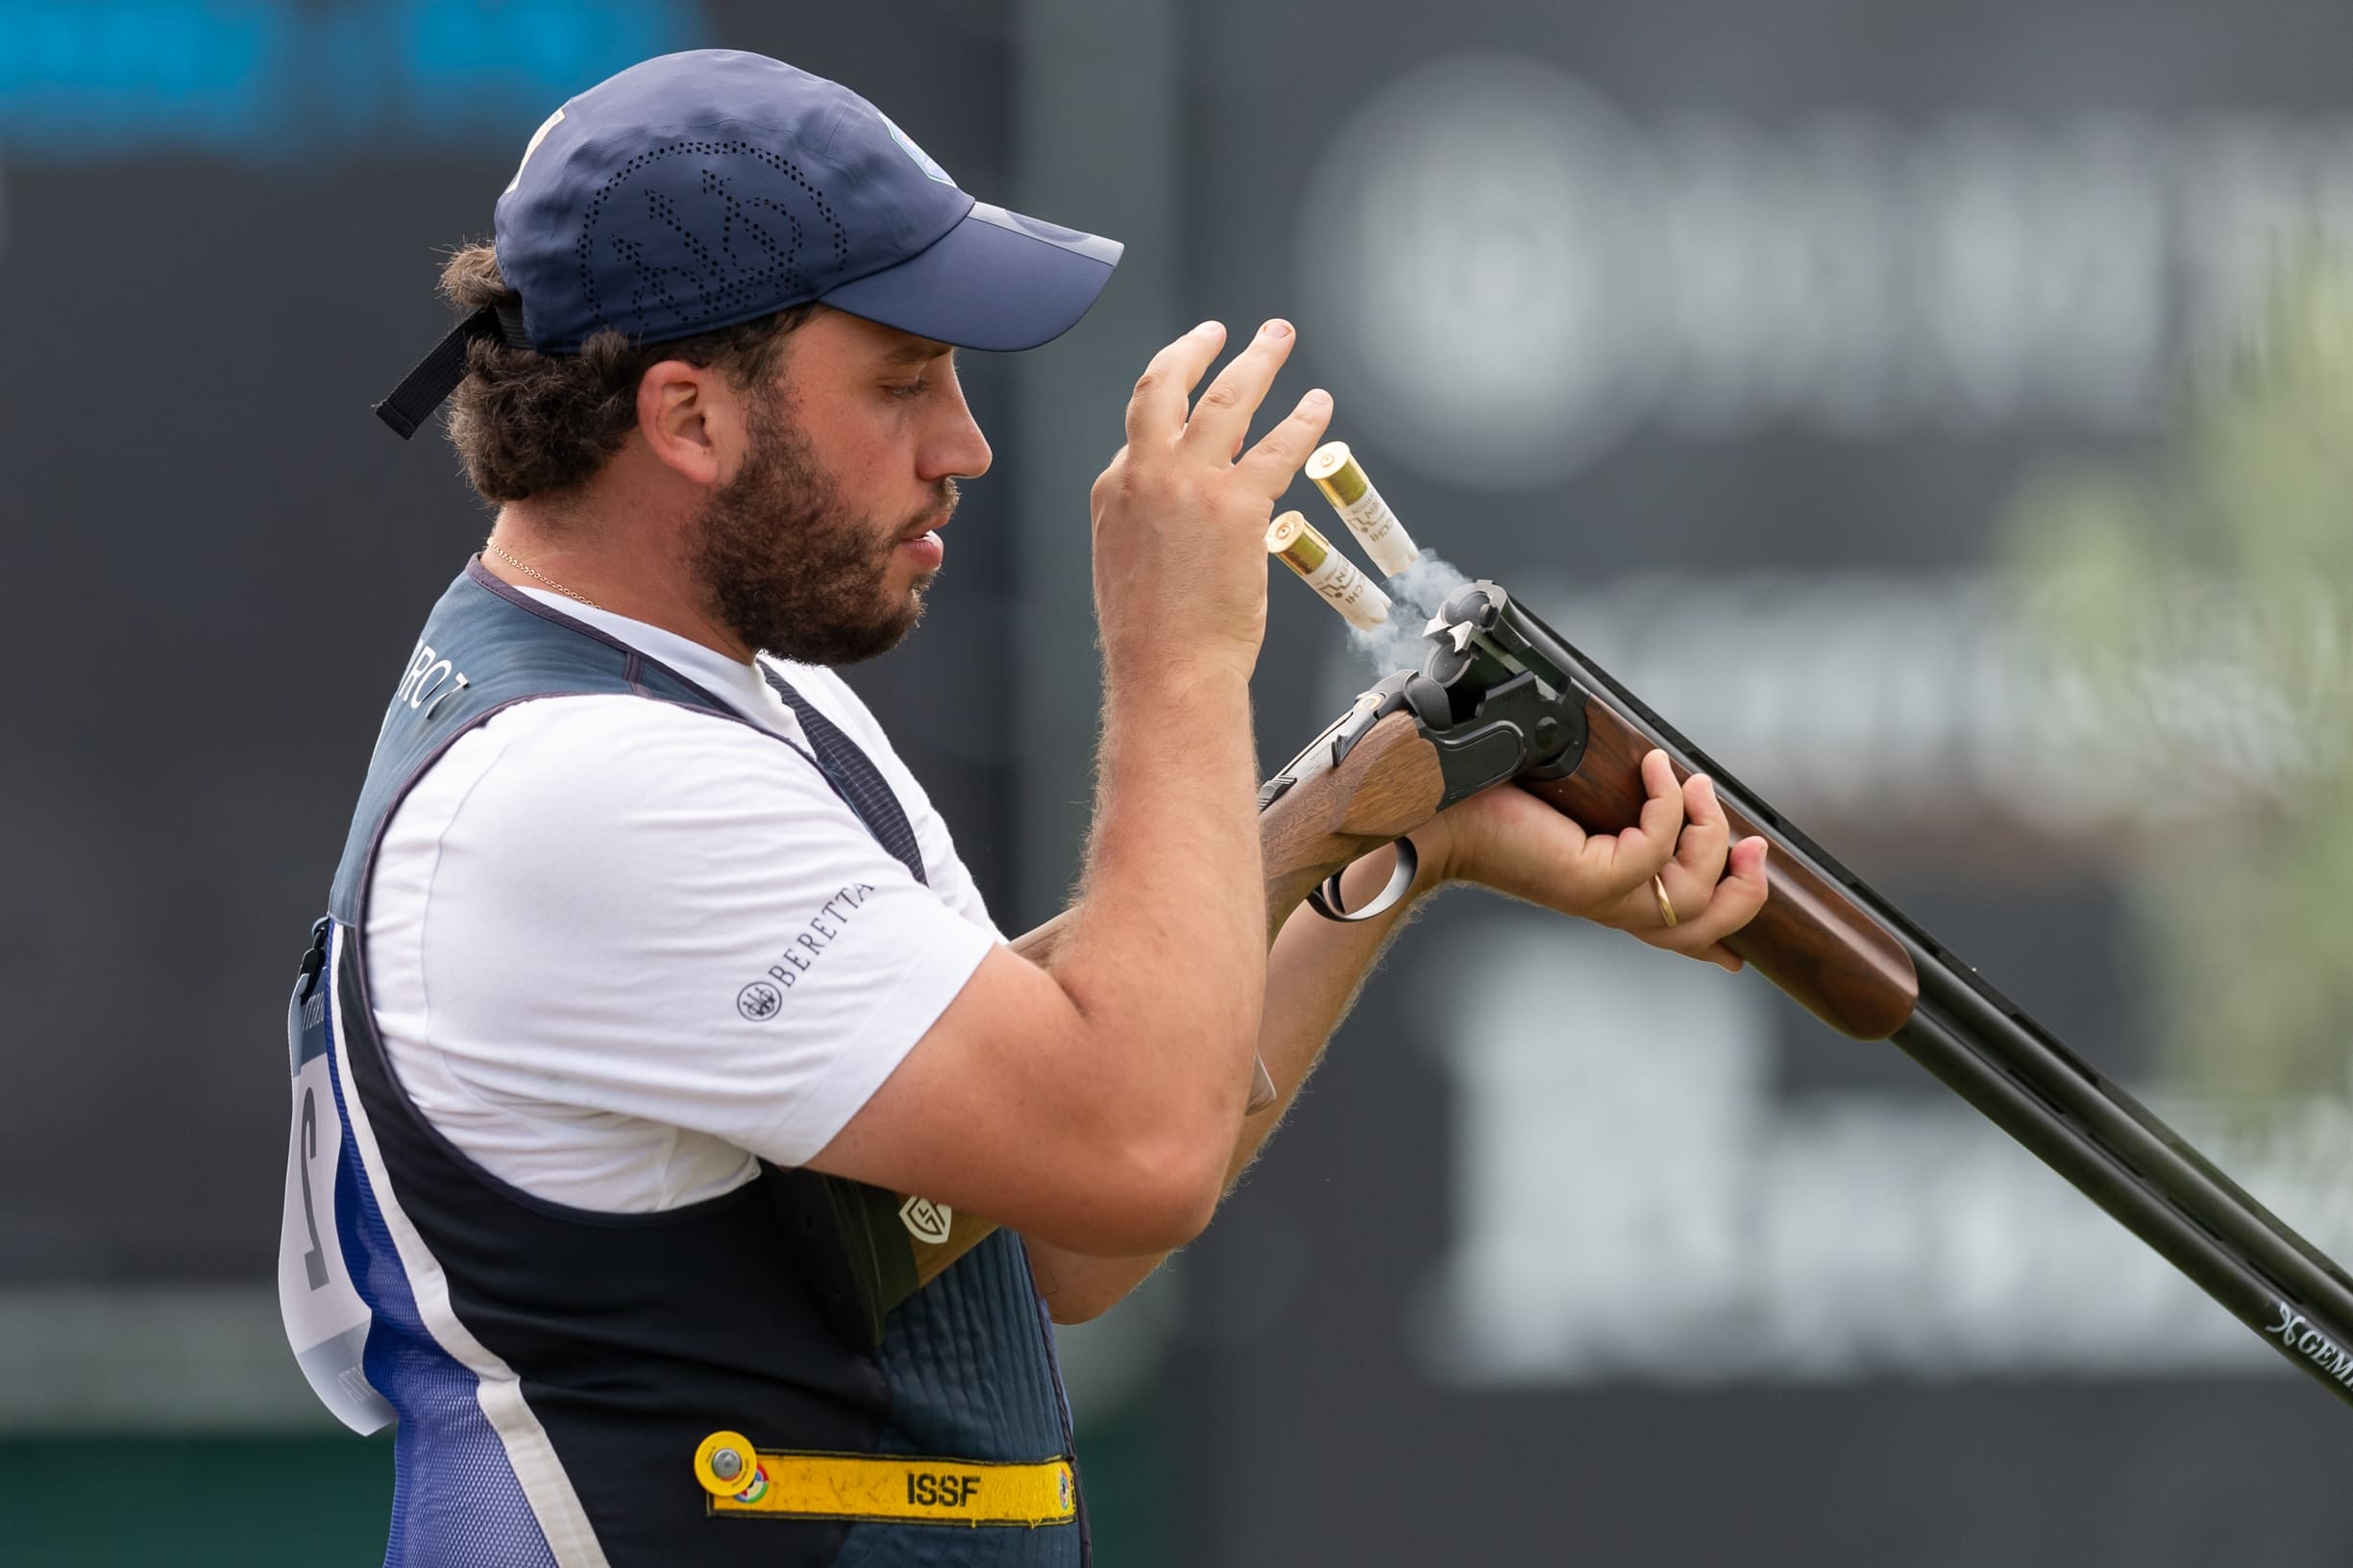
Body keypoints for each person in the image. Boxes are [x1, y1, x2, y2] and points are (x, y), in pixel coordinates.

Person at [276, 47, 1769, 1568]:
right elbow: (1131, 1145)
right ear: (689, 415)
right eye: (902, 380)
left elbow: (1063, 1226)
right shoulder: (587, 790)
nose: (964, 446)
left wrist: (1393, 828)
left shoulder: (730, 718)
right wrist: (1179, 645)